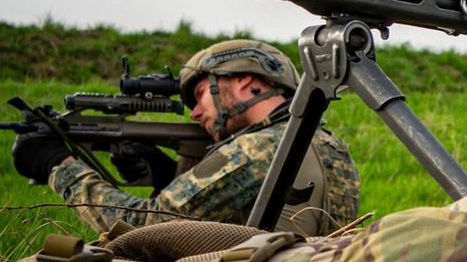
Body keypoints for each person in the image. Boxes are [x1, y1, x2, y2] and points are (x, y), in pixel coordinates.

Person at [10, 39, 360, 236]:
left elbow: (141, 230)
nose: (194, 112)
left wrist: (59, 165)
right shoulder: (328, 144)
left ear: (245, 83)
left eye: (200, 96)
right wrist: (168, 178)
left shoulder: (254, 149)